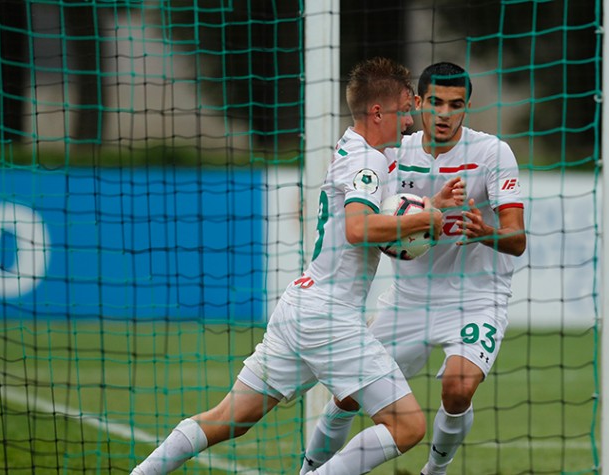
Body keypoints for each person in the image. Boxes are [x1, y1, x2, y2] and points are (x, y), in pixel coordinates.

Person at [131, 57, 444, 475]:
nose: (409, 121)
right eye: (405, 110)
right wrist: (423, 221)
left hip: (301, 307)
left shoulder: (354, 147)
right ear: (377, 112)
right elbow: (359, 228)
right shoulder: (367, 162)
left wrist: (426, 209)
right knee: (408, 427)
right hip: (329, 317)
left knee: (230, 418)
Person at [300, 61, 526, 475]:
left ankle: (434, 472)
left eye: (455, 105)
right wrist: (418, 218)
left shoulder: (492, 153)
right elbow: (374, 221)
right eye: (435, 102)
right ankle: (308, 467)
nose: (444, 114)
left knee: (458, 387)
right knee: (347, 393)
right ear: (418, 102)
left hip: (476, 298)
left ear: (467, 107)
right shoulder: (393, 153)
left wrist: (483, 231)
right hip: (409, 298)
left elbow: (517, 238)